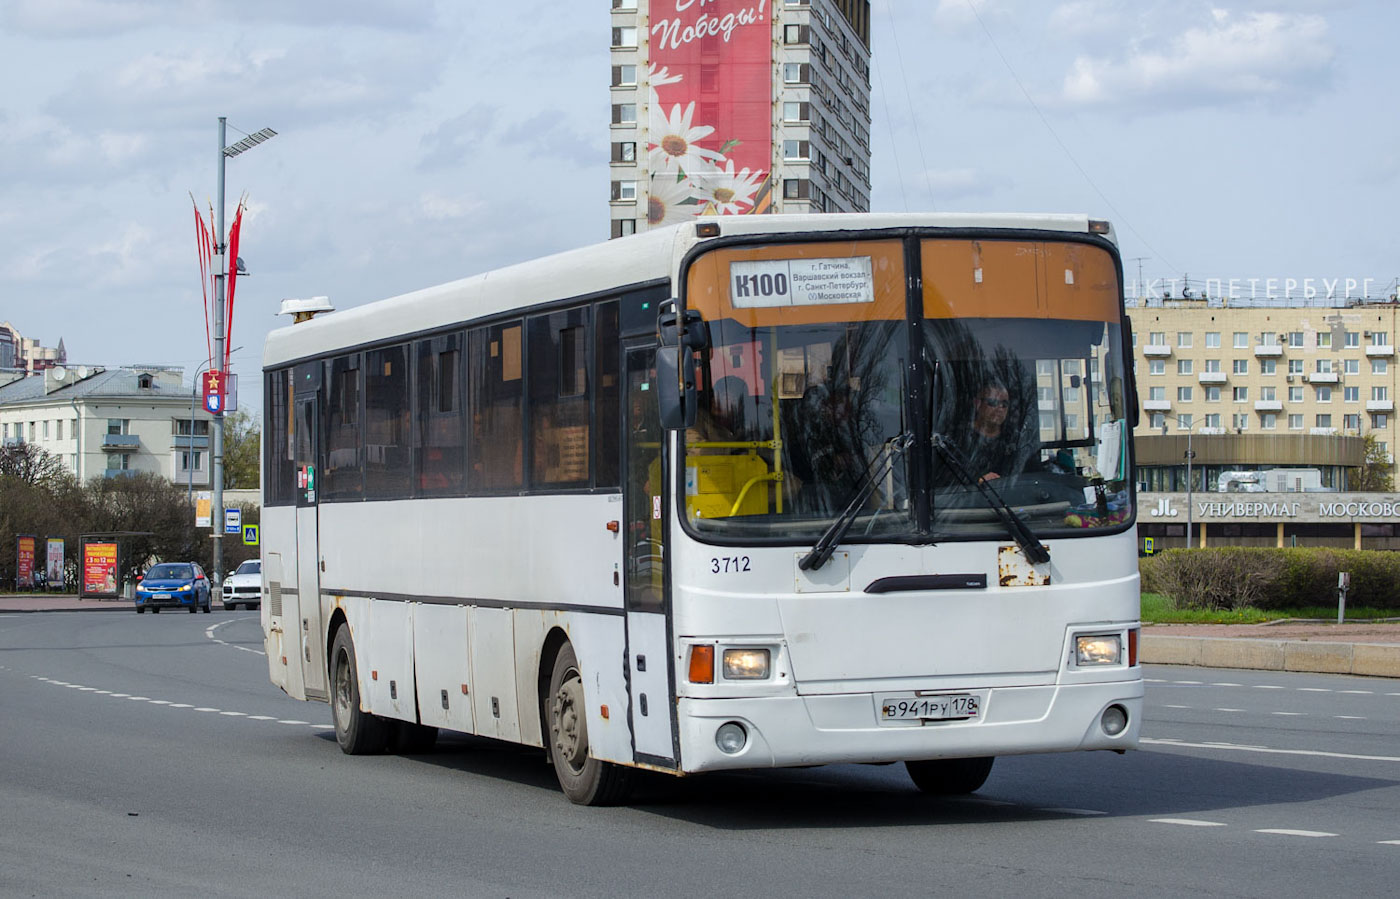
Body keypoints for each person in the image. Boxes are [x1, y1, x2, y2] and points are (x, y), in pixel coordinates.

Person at [959, 380, 1038, 482]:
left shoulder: (1016, 440)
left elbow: (1035, 475)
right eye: (993, 403)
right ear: (977, 403)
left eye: (1004, 404)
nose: (1000, 409)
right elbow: (946, 484)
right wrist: (976, 482)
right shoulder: (959, 439)